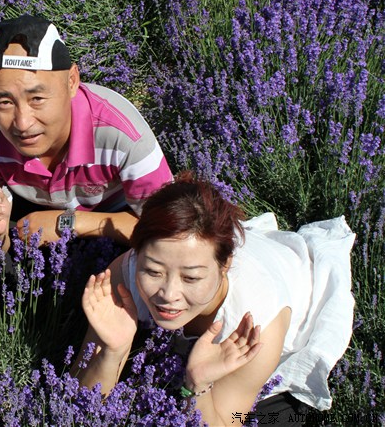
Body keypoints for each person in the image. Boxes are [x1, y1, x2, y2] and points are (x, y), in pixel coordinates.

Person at [74, 172, 355, 426]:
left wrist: (198, 386)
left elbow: (225, 421)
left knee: (273, 418)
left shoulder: (257, 324)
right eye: (153, 271)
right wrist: (111, 352)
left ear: (225, 266)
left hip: (291, 299)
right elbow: (78, 402)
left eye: (191, 278)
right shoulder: (123, 277)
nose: (168, 295)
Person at [0, 14, 173, 252]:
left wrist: (68, 222)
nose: (22, 123)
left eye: (37, 98)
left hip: (120, 221)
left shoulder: (123, 136)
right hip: (29, 216)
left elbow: (171, 231)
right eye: (4, 102)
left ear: (72, 81)